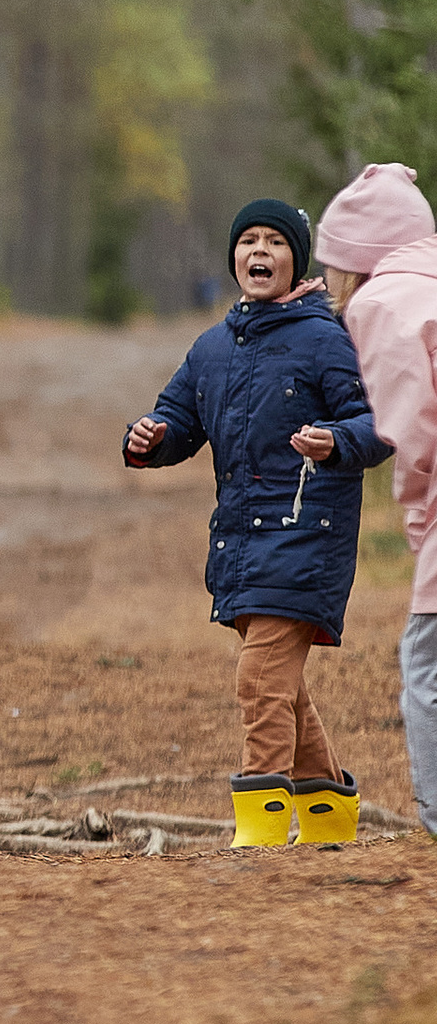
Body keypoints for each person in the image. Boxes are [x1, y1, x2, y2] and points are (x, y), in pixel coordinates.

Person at [123, 197, 389, 847]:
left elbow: (377, 423)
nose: (259, 251)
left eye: (275, 240)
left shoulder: (325, 338)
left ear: (296, 261)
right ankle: (329, 824)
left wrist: (335, 439)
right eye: (249, 241)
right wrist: (147, 438)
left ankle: (262, 835)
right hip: (239, 541)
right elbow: (177, 420)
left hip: (307, 536)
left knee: (259, 679)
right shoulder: (212, 347)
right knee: (282, 687)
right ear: (234, 257)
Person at [316, 162, 437, 838]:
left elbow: (413, 432)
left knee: (425, 663)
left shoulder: (381, 305)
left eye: (333, 261)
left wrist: (419, 519)